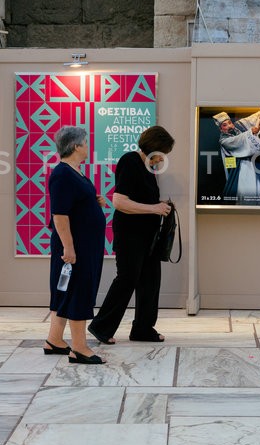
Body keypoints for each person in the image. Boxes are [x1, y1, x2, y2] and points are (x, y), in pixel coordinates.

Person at [88, 125, 174, 345]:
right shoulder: (130, 161)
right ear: (153, 148)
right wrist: (154, 208)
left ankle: (143, 329)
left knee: (150, 281)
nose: (162, 159)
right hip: (130, 235)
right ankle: (101, 326)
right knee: (127, 279)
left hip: (148, 237)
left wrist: (160, 205)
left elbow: (140, 199)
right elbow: (119, 201)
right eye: (161, 154)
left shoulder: (147, 167)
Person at [44, 126, 108, 365]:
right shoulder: (62, 174)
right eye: (86, 143)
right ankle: (79, 348)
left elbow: (75, 204)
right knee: (78, 291)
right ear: (75, 146)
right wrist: (68, 248)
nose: (88, 147)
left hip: (85, 244)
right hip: (76, 246)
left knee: (65, 290)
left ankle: (54, 340)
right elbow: (59, 216)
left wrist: (94, 201)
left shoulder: (75, 172)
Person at [213, 108, 260, 204]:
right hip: (241, 168)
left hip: (253, 165)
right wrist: (250, 132)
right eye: (225, 125)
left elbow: (250, 120)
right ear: (221, 129)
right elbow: (238, 140)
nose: (229, 126)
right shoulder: (224, 141)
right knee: (246, 191)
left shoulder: (238, 127)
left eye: (230, 123)